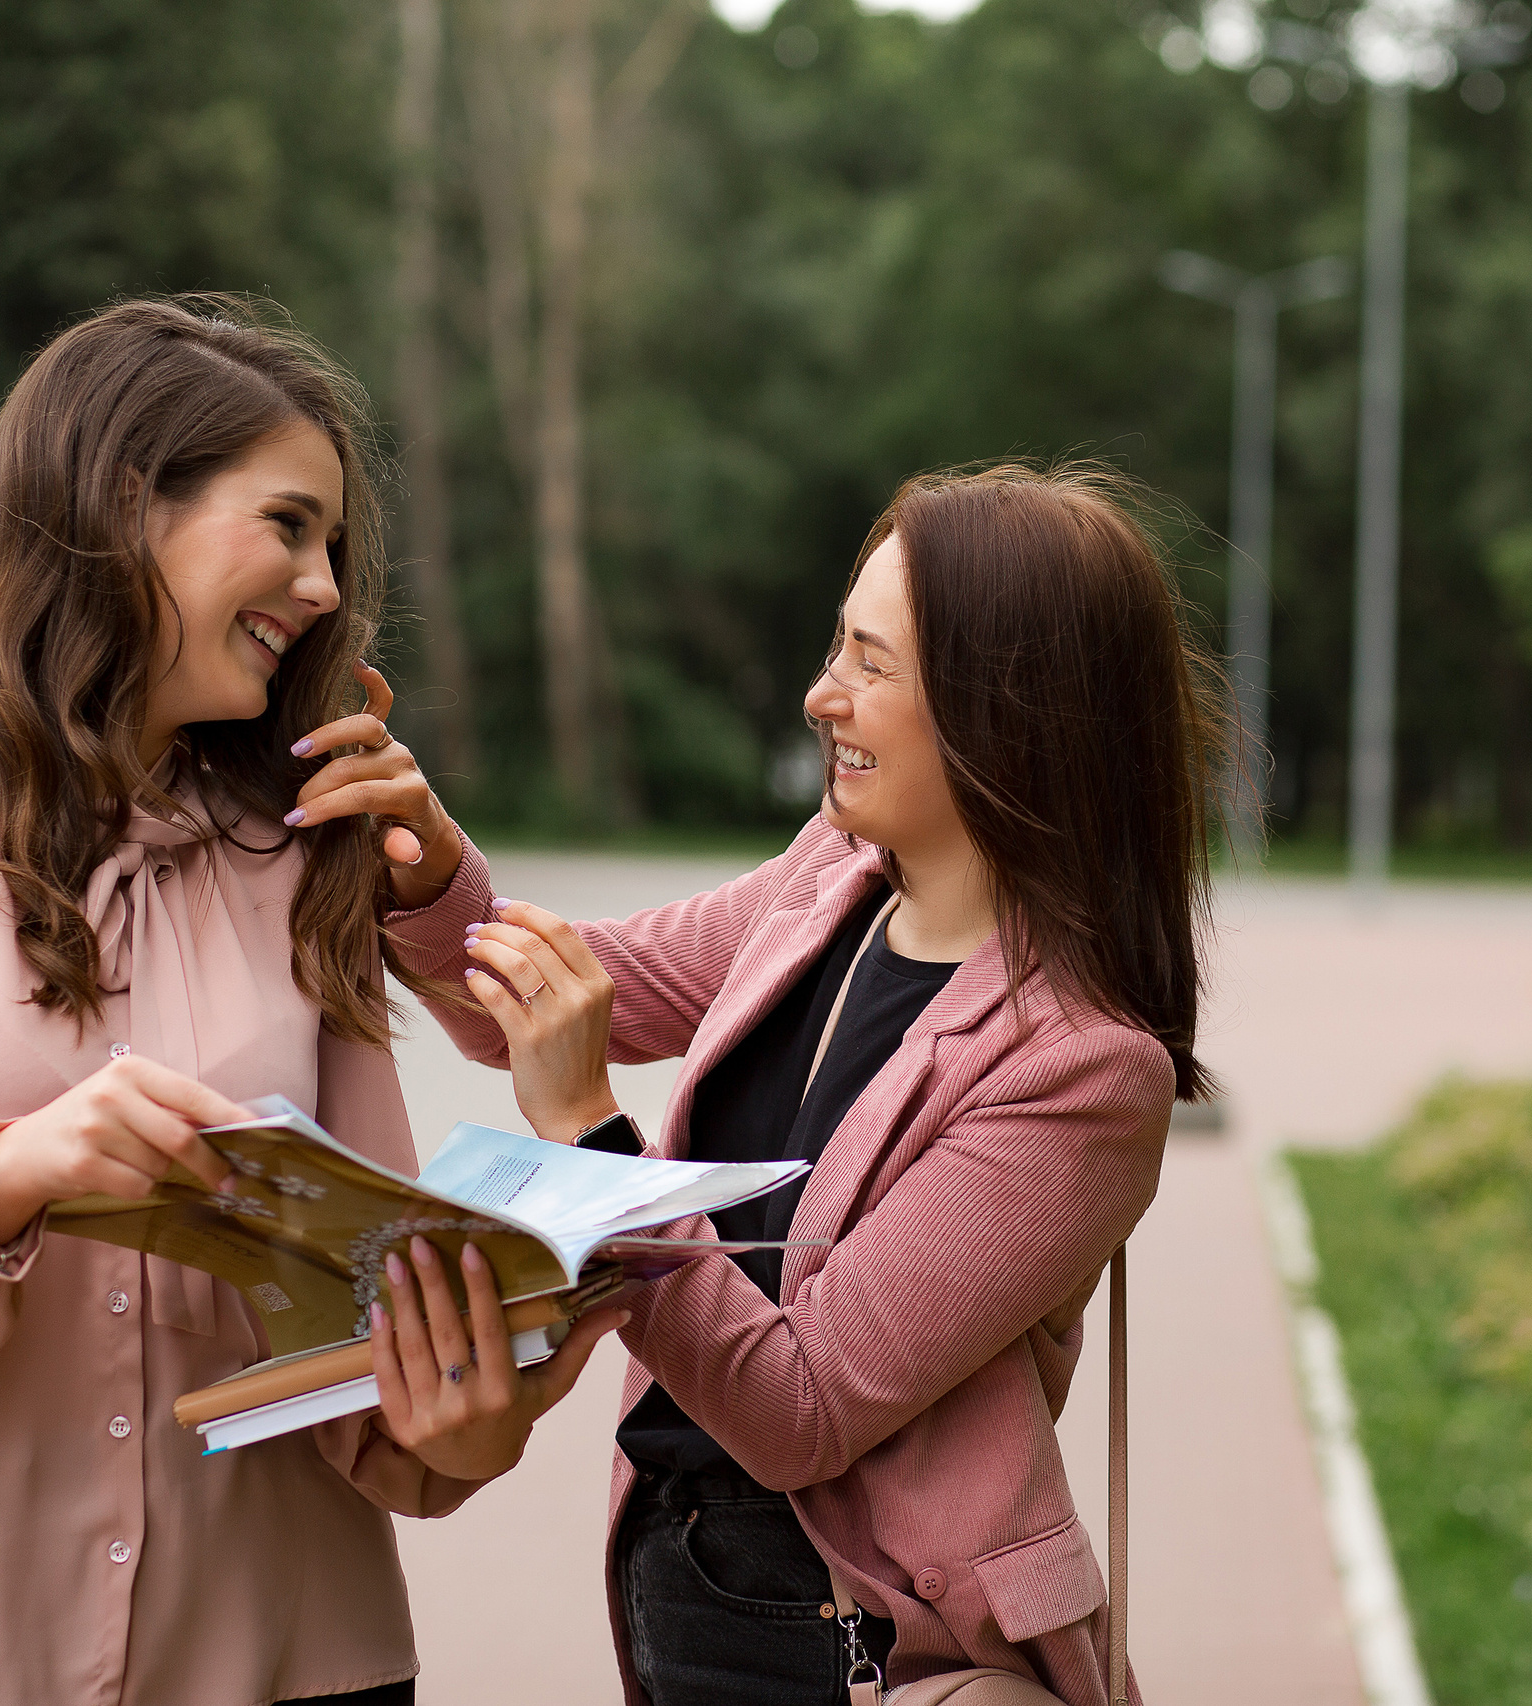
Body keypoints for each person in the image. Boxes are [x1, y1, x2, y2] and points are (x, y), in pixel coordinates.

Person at [0, 296, 618, 1706]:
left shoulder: (305, 863)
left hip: (290, 1662)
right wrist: (12, 1171)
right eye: (289, 524)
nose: (321, 585)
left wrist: (469, 1418)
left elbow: (360, 1333)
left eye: (333, 545)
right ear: (127, 506)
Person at [368, 463, 1225, 1705]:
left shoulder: (1080, 1071)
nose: (824, 694)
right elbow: (560, 997)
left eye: (871, 663)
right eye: (838, 645)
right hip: (674, 1560)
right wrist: (417, 856)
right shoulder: (830, 878)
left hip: (851, 1629)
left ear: (1011, 711)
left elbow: (800, 1406)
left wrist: (586, 1132)